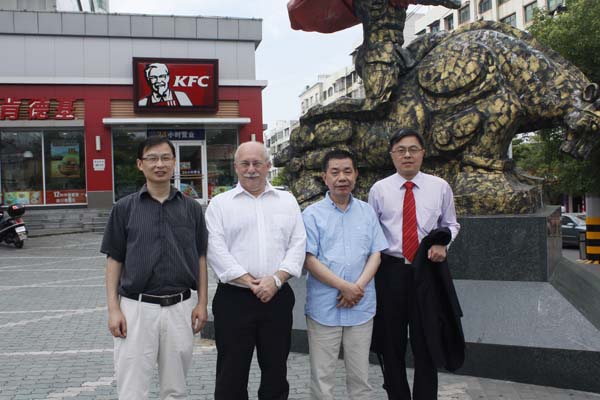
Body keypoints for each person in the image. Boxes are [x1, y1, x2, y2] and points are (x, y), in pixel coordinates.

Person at [101, 136, 209, 400]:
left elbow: (201, 258)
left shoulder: (192, 209)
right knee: (132, 388)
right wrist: (114, 309)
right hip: (136, 309)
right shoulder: (124, 208)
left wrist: (202, 303)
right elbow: (114, 260)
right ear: (140, 164)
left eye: (165, 158)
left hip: (180, 308)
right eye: (152, 158)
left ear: (174, 163)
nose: (159, 164)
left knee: (175, 389)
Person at [205, 141, 306, 400]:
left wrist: (276, 280)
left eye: (257, 163)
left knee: (276, 371)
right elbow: (215, 249)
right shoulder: (220, 204)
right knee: (231, 373)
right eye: (245, 163)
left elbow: (298, 244)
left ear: (268, 166)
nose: (251, 169)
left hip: (277, 297)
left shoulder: (287, 201)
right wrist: (251, 282)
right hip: (234, 299)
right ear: (236, 167)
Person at [368, 128, 460, 400]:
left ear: (423, 153)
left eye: (413, 149)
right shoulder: (379, 190)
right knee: (391, 344)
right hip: (391, 272)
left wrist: (443, 244)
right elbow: (371, 232)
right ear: (392, 155)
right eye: (400, 150)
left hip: (427, 271)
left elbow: (452, 223)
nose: (407, 155)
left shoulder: (440, 187)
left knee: (426, 342)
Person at [302, 149, 388, 400]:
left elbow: (376, 253)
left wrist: (357, 287)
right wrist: (344, 287)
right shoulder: (311, 215)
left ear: (356, 174)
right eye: (335, 172)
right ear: (324, 177)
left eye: (347, 171)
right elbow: (309, 259)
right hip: (324, 308)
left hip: (361, 307)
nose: (342, 178)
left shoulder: (367, 212)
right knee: (322, 379)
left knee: (361, 379)